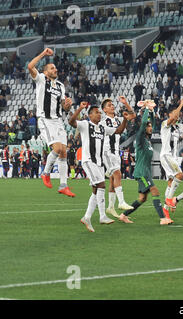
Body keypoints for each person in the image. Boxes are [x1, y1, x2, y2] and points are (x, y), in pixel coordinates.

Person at [68, 102, 135, 232]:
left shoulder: (103, 128)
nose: (99, 114)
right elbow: (71, 122)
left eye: (99, 112)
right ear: (90, 115)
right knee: (101, 185)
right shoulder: (86, 125)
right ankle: (102, 215)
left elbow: (119, 131)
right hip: (89, 161)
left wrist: (125, 120)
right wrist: (80, 108)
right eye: (96, 112)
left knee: (95, 189)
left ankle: (87, 217)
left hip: (99, 163)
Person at [28, 48, 75, 197]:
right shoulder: (41, 79)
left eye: (55, 68)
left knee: (63, 152)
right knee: (57, 147)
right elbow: (30, 66)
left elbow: (64, 107)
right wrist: (43, 54)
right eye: (52, 68)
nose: (56, 69)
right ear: (46, 71)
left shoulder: (60, 86)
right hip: (45, 119)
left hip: (58, 120)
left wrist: (68, 104)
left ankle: (63, 185)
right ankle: (45, 172)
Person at [119, 100, 173, 225]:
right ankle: (163, 218)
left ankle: (123, 215)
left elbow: (153, 124)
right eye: (147, 126)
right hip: (142, 172)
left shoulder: (147, 139)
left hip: (145, 172)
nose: (150, 127)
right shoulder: (140, 137)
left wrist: (152, 112)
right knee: (155, 191)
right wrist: (147, 109)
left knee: (142, 198)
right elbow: (144, 122)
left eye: (150, 126)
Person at [160, 98, 183, 221]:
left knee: (171, 182)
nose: (178, 115)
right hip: (166, 155)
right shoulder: (165, 124)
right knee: (179, 175)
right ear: (170, 114)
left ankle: (165, 211)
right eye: (175, 113)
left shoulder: (177, 127)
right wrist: (181, 104)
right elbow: (174, 116)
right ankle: (170, 200)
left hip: (174, 157)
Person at [101, 96, 135, 218]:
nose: (112, 106)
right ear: (104, 110)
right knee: (118, 174)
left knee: (113, 180)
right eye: (109, 105)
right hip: (107, 151)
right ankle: (121, 202)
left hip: (115, 151)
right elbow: (119, 130)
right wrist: (125, 120)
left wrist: (126, 103)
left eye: (112, 104)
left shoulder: (117, 119)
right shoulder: (103, 122)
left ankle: (110, 207)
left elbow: (132, 116)